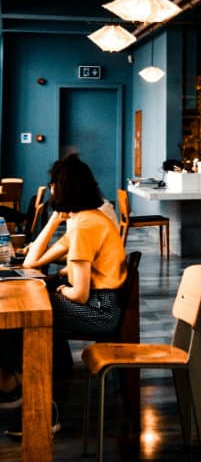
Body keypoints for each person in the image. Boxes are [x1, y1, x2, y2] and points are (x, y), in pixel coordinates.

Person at [0, 154, 128, 412]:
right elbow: (31, 262)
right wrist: (54, 219)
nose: (50, 188)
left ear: (64, 187)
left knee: (23, 316)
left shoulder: (84, 226)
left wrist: (61, 288)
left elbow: (79, 294)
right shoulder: (84, 220)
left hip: (99, 310)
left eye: (53, 182)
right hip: (99, 304)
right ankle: (20, 386)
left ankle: (27, 395)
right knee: (20, 313)